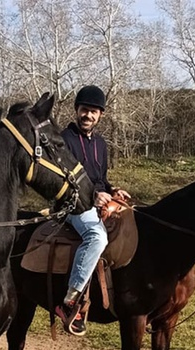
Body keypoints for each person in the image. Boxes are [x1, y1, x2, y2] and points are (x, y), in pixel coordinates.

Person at [55, 85, 130, 336]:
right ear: (76, 110)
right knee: (97, 236)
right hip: (73, 203)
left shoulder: (100, 143)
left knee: (135, 223)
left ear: (101, 116)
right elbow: (61, 180)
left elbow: (101, 179)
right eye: (84, 110)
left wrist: (114, 190)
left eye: (94, 112)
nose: (88, 115)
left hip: (100, 201)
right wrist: (92, 195)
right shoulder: (63, 139)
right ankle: (70, 302)